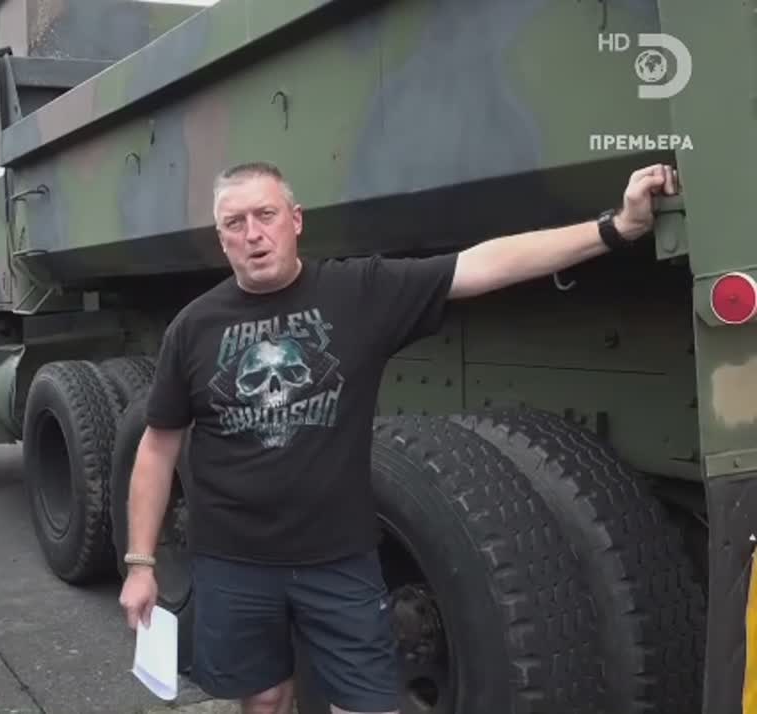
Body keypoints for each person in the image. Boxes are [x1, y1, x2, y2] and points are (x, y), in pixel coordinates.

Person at [118, 161, 678, 714]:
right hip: (233, 561)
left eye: (266, 215)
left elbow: (482, 265)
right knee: (263, 699)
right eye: (235, 223)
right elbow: (158, 447)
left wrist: (616, 228)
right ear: (222, 239)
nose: (253, 234)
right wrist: (141, 564)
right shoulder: (193, 326)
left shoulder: (359, 292)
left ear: (296, 220)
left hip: (337, 558)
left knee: (368, 706)